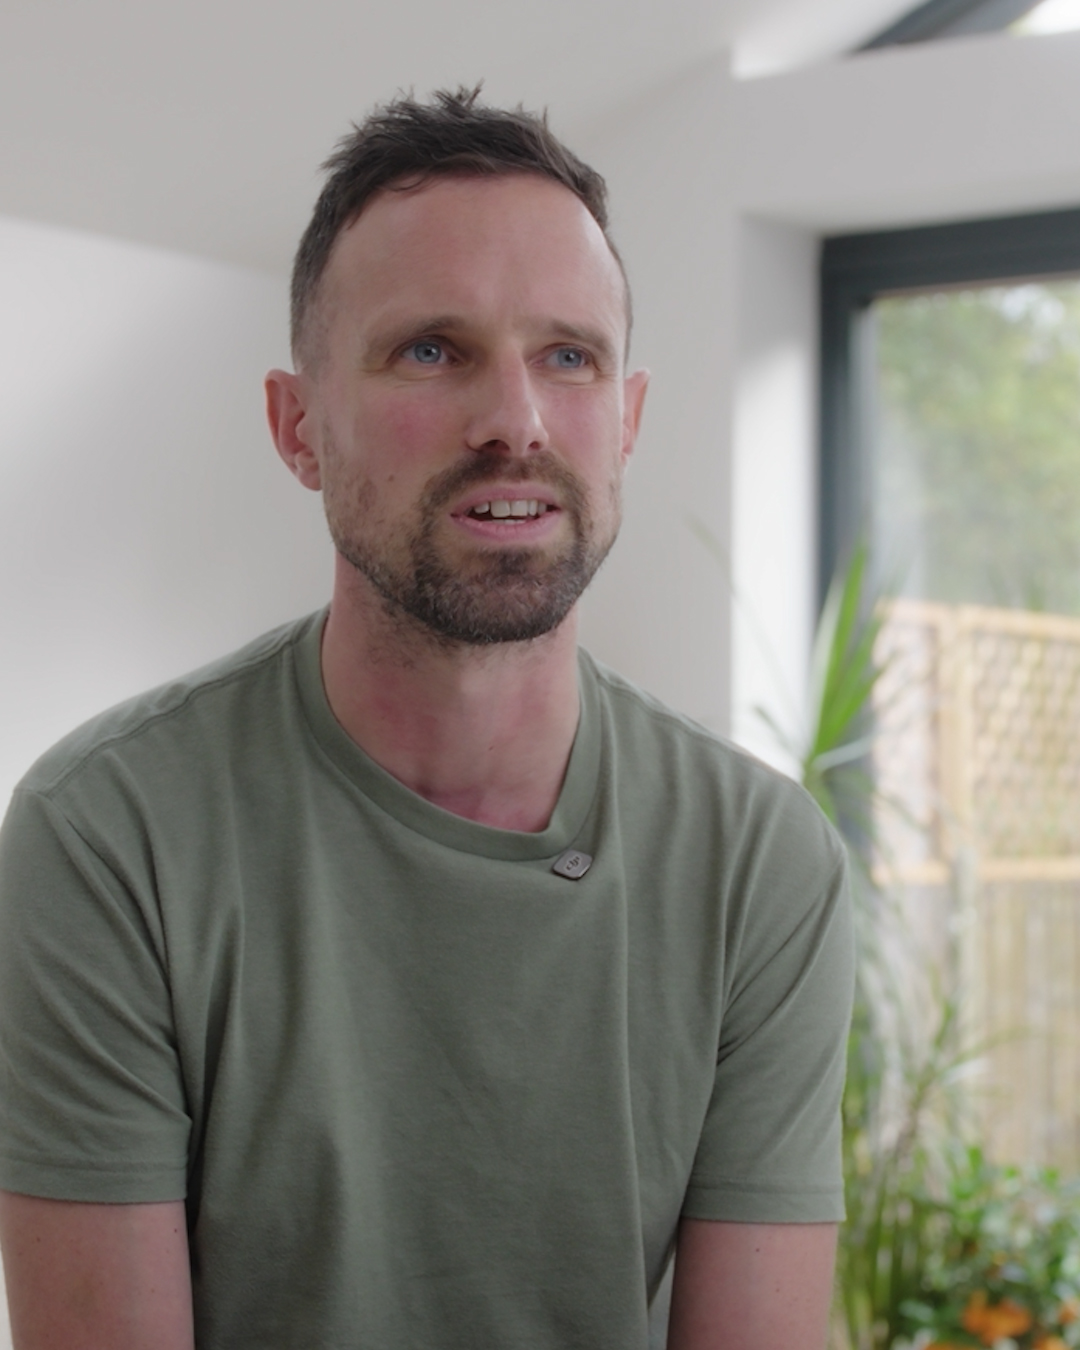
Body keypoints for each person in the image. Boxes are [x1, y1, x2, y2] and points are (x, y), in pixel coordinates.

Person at [0, 87, 852, 1349]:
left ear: (625, 421)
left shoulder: (757, 865)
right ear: (300, 428)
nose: (515, 419)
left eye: (570, 355)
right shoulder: (109, 840)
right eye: (432, 350)